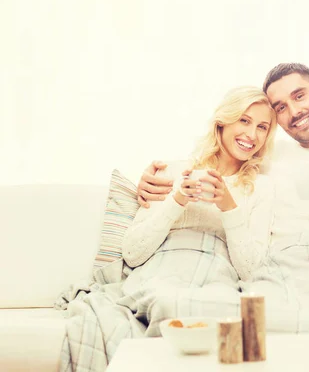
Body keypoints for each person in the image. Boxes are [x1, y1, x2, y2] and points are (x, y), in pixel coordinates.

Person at [138, 64, 309, 372]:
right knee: (240, 326)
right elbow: (219, 157)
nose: (293, 111)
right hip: (274, 270)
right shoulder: (268, 154)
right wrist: (153, 182)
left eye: (299, 96)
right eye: (280, 107)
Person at [58, 86, 277, 372]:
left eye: (262, 127)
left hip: (216, 278)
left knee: (217, 308)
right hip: (162, 273)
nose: (252, 135)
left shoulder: (261, 187)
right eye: (244, 121)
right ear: (222, 122)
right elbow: (133, 254)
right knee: (167, 301)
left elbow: (251, 271)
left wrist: (228, 206)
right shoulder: (171, 172)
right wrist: (177, 201)